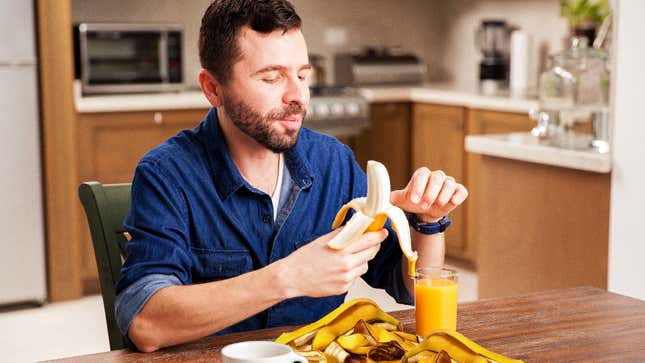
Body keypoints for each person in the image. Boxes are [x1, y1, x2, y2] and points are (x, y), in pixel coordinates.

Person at [115, 0, 468, 353]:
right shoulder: (166, 175)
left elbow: (407, 286)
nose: (297, 95)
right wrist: (289, 277)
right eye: (271, 77)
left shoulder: (334, 162)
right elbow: (145, 323)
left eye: (302, 75)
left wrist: (427, 221)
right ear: (213, 89)